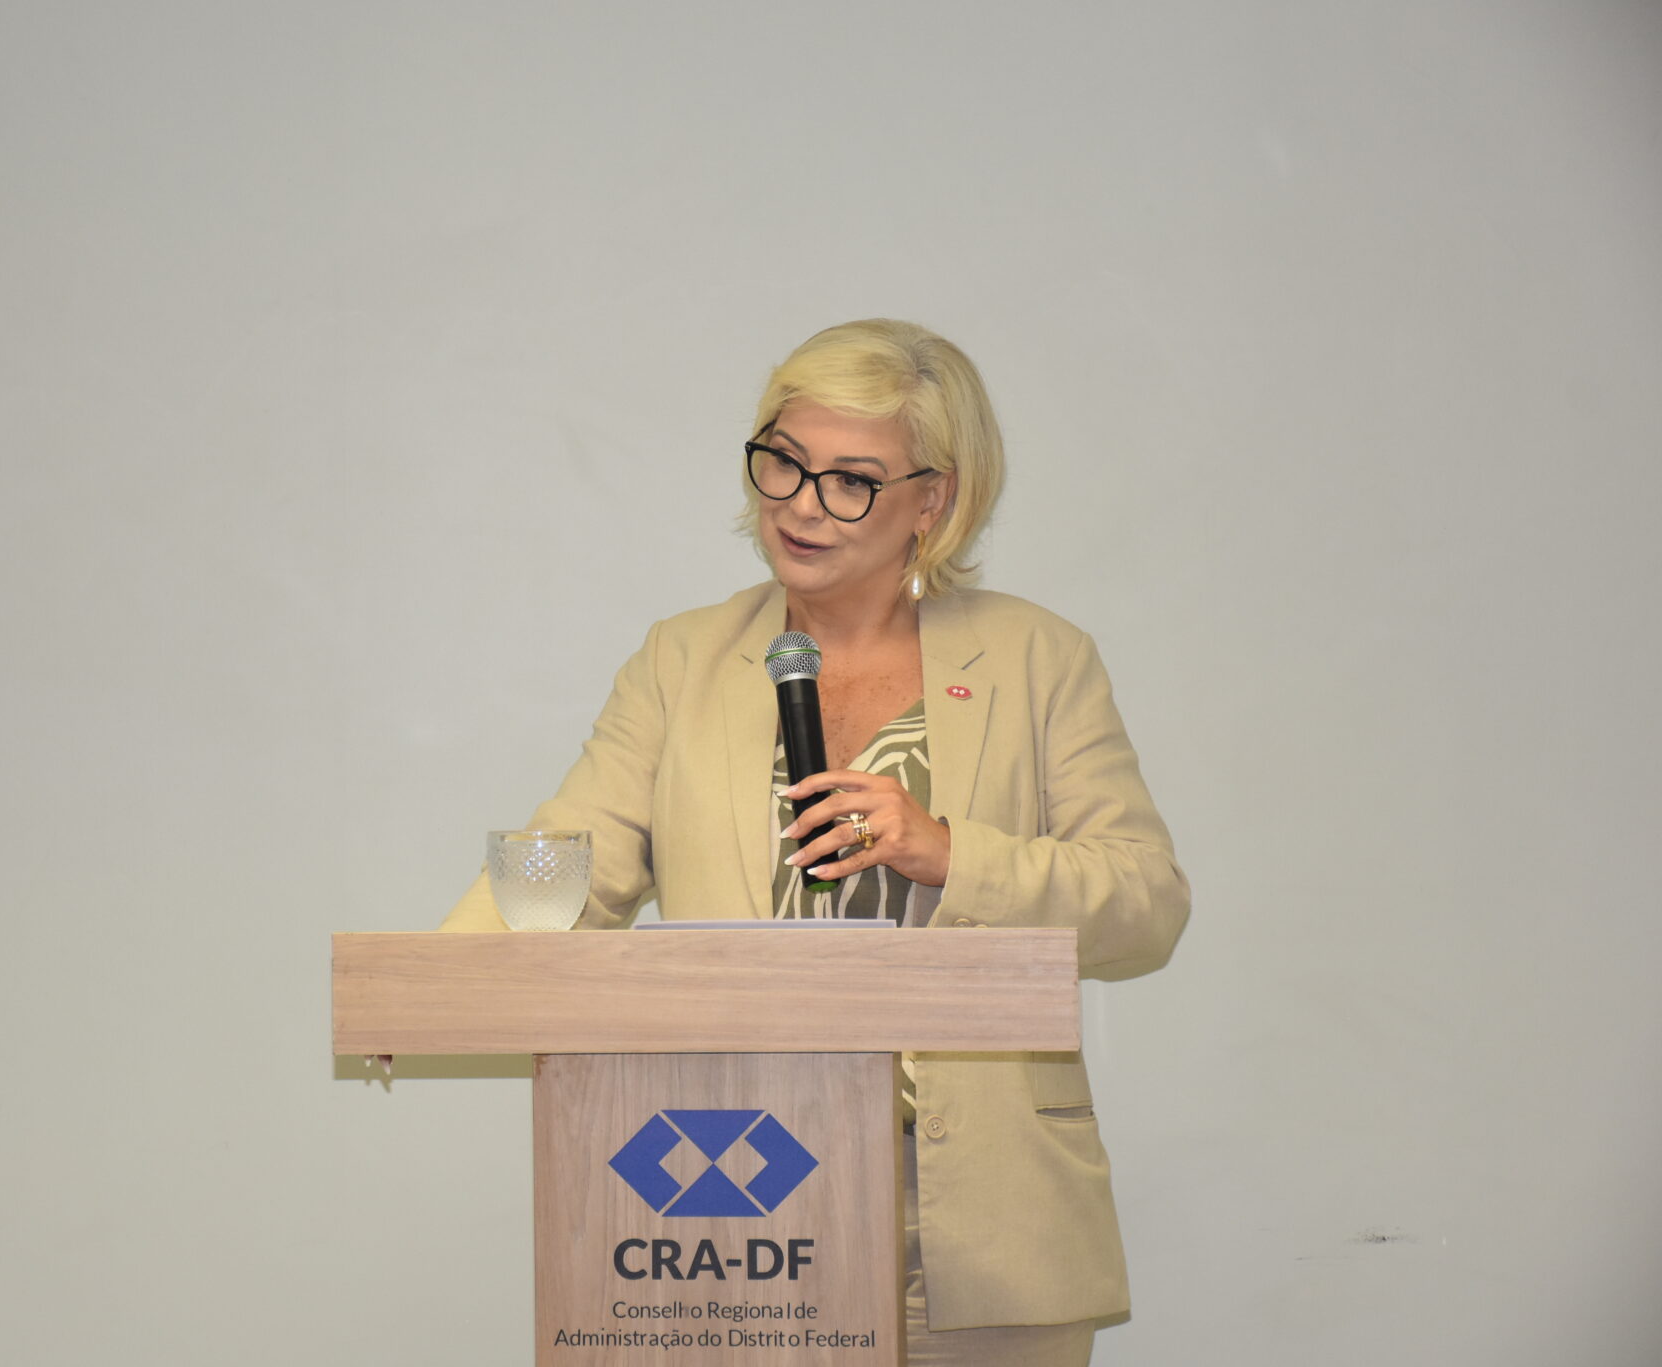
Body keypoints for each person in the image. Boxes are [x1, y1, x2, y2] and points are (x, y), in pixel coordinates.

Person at [442, 318, 1189, 1365]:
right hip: (741, 1193)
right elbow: (571, 858)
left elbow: (1145, 902)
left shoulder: (1036, 657)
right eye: (784, 462)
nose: (800, 503)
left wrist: (947, 850)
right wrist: (437, 980)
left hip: (985, 1208)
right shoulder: (682, 660)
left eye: (850, 481)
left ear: (933, 499)